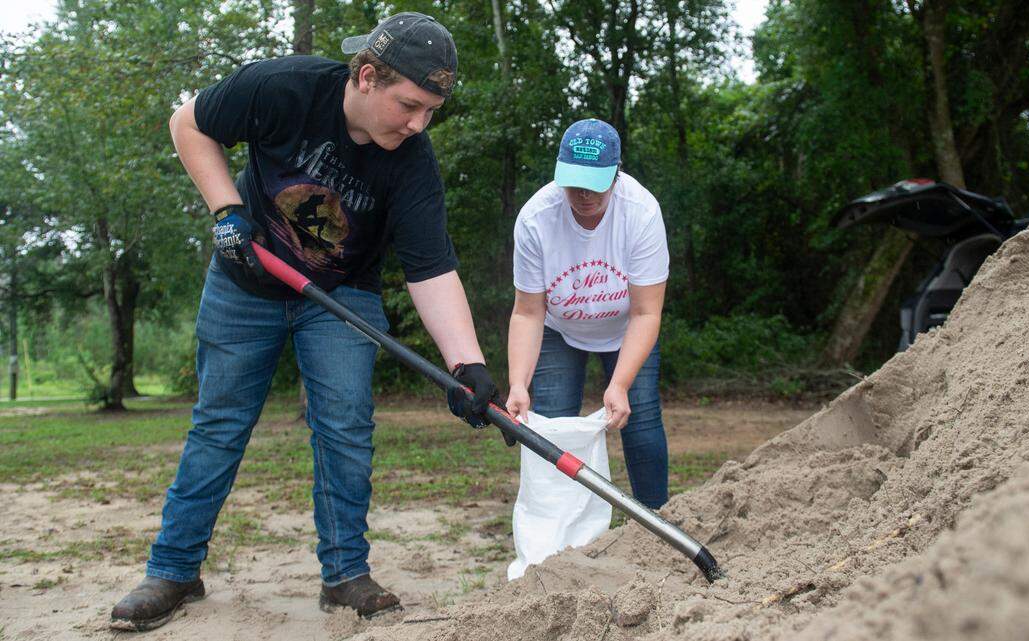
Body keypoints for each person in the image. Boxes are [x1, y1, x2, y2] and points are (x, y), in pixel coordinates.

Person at [110, 12, 503, 631]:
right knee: (218, 426)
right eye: (410, 105)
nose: (418, 123)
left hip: (342, 298)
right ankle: (173, 570)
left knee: (346, 428)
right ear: (367, 76)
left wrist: (466, 363)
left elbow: (431, 269)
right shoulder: (284, 87)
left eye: (431, 111)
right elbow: (187, 122)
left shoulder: (412, 162)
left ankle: (346, 576)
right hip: (244, 288)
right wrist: (227, 209)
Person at [505, 118, 670, 509]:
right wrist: (517, 383)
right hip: (557, 331)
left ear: (616, 174)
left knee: (642, 421)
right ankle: (556, 530)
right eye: (574, 180)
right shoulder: (535, 219)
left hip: (628, 326)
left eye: (595, 182)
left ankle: (658, 524)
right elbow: (528, 312)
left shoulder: (641, 212)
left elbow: (647, 312)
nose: (583, 193)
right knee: (551, 430)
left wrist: (619, 383)